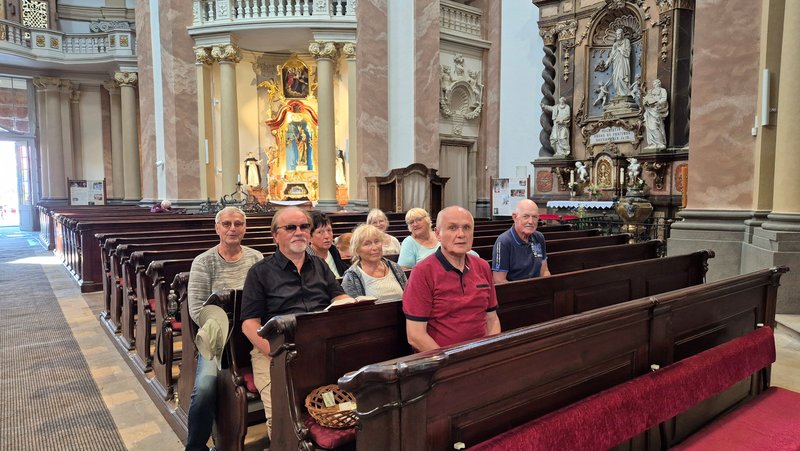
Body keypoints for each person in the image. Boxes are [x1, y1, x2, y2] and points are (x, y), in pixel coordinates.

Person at [241, 207, 351, 438]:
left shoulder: (320, 265)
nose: (299, 232)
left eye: (304, 227)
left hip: (320, 347)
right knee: (282, 418)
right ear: (275, 235)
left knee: (341, 405)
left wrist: (349, 304)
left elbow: (338, 296)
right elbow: (249, 324)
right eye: (291, 227)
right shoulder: (259, 272)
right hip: (274, 351)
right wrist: (275, 352)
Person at [185, 206, 263, 451]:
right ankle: (196, 446)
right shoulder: (203, 262)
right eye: (227, 224)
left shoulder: (256, 258)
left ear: (245, 228)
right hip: (215, 339)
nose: (233, 229)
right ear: (217, 228)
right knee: (205, 388)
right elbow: (197, 309)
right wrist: (226, 329)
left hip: (250, 333)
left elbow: (265, 298)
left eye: (238, 224)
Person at [403, 206, 501, 352]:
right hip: (441, 359)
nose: (461, 234)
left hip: (481, 355)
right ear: (437, 234)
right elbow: (416, 335)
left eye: (466, 228)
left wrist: (490, 352)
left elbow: (492, 319)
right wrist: (450, 361)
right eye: (452, 228)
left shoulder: (482, 266)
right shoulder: (422, 272)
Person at [341, 224, 407, 300]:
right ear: (357, 249)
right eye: (367, 244)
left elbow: (409, 295)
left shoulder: (395, 268)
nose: (375, 248)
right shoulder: (351, 277)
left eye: (377, 241)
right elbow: (352, 306)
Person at [491, 199, 551, 283]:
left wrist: (547, 286)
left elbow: (544, 271)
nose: (531, 222)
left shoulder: (539, 237)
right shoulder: (504, 242)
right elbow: (499, 280)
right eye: (525, 216)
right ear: (515, 217)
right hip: (514, 289)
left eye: (534, 217)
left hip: (537, 287)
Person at [306, 211, 348, 277]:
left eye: (329, 230)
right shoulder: (306, 258)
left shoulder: (333, 250)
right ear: (309, 237)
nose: (327, 236)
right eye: (320, 232)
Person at [643, 79, 669, 150]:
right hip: (649, 110)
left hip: (657, 109)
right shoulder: (650, 91)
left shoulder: (662, 90)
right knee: (649, 127)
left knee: (655, 126)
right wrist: (645, 102)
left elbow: (664, 99)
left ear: (659, 83)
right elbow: (646, 98)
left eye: (656, 83)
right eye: (654, 83)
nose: (655, 84)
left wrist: (658, 102)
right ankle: (652, 143)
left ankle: (660, 143)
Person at [606, 28, 631, 97]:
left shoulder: (626, 41)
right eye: (617, 34)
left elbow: (628, 52)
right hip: (616, 63)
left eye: (619, 34)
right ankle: (619, 92)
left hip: (623, 62)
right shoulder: (615, 44)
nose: (618, 36)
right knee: (616, 78)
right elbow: (612, 55)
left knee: (622, 76)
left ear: (622, 34)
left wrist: (620, 49)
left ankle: (626, 92)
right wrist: (608, 61)